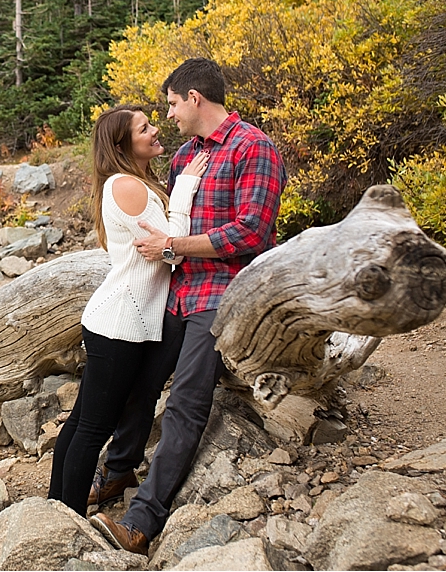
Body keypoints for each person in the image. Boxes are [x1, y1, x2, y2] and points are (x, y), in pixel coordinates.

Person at [89, 58, 287, 555]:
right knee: (139, 384)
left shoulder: (253, 147)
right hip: (174, 292)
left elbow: (251, 232)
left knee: (185, 403)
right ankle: (117, 472)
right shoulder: (186, 158)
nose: (170, 115)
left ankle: (142, 520)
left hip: (222, 295)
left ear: (194, 98)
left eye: (173, 104)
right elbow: (156, 213)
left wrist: (176, 245)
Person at [48, 104, 209, 518]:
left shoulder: (131, 182)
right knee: (93, 429)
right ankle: (66, 520)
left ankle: (55, 508)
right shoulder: (127, 186)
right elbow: (171, 247)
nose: (156, 130)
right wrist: (187, 187)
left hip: (116, 321)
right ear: (123, 144)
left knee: (83, 420)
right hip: (118, 326)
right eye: (144, 127)